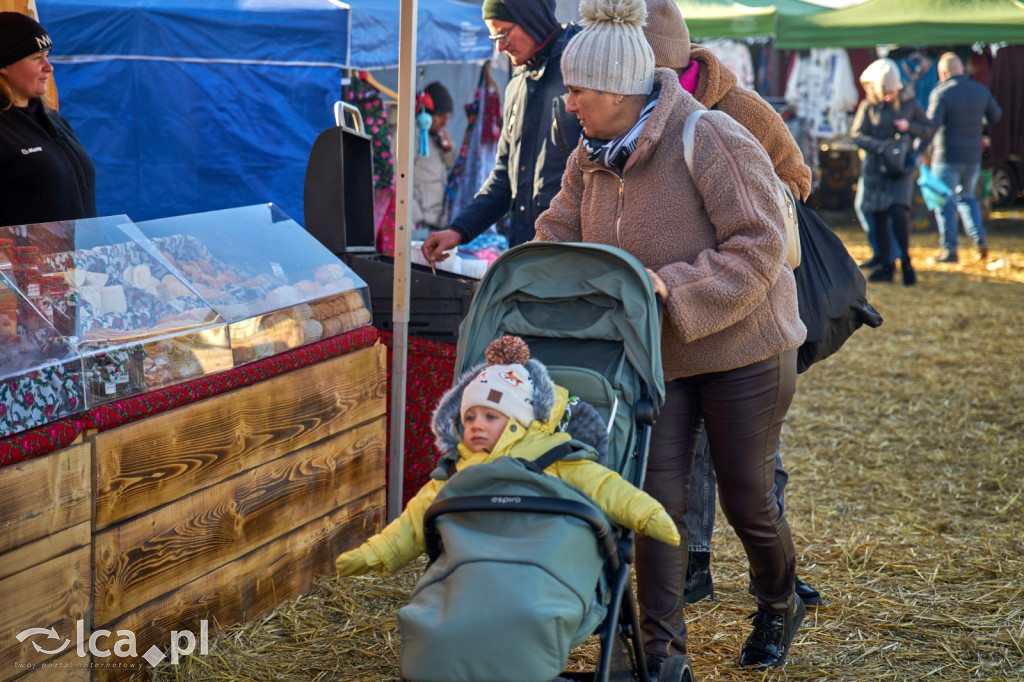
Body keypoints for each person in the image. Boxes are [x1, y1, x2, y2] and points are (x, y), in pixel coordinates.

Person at [533, 0, 807, 673]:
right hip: (657, 356)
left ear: (618, 91)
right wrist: (528, 280)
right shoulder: (588, 157)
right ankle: (663, 658)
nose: (569, 102)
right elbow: (556, 233)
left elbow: (760, 244)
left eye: (579, 89)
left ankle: (779, 601)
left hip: (744, 348)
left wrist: (669, 287)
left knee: (747, 499)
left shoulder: (708, 135)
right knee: (653, 507)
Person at [639, 0, 821, 610]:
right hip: (674, 322)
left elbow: (795, 177)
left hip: (745, 308)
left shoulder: (737, 108)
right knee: (681, 457)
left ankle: (774, 580)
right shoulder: (623, 121)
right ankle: (694, 563)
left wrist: (740, 200)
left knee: (751, 469)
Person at [335, 335, 680, 578]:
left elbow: (604, 486)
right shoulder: (455, 471)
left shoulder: (551, 454)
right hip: (470, 566)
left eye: (490, 416)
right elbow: (412, 522)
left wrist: (649, 514)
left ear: (518, 420)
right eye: (469, 417)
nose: (476, 425)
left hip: (539, 563)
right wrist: (373, 555)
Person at [420, 0, 581, 263]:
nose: (500, 47)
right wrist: (459, 230)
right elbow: (504, 178)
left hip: (571, 258)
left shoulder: (580, 68)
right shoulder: (516, 85)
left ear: (531, 17)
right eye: (495, 38)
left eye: (504, 34)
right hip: (524, 256)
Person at [0, 11, 95, 227]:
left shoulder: (55, 121)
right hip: (25, 250)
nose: (49, 67)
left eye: (47, 56)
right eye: (36, 58)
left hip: (83, 248)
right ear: (4, 66)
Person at [850, 58, 935, 285]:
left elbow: (929, 129)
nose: (888, 97)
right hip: (876, 168)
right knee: (878, 215)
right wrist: (880, 147)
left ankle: (906, 262)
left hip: (900, 166)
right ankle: (887, 265)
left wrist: (910, 128)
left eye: (892, 92)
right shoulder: (868, 106)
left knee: (898, 211)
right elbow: (856, 134)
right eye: (884, 93)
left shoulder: (909, 103)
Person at [926, 51, 1002, 264]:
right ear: (961, 69)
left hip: (946, 156)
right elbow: (996, 115)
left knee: (944, 203)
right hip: (972, 157)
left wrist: (918, 149)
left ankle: (950, 250)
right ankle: (979, 240)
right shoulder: (980, 90)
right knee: (967, 198)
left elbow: (931, 126)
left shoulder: (941, 93)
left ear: (943, 72)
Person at [411, 81, 457, 237]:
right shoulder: (411, 133)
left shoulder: (433, 135)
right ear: (427, 114)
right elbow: (398, 176)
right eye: (441, 117)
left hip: (435, 222)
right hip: (419, 224)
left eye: (448, 117)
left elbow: (452, 166)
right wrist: (416, 218)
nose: (446, 123)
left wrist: (448, 149)